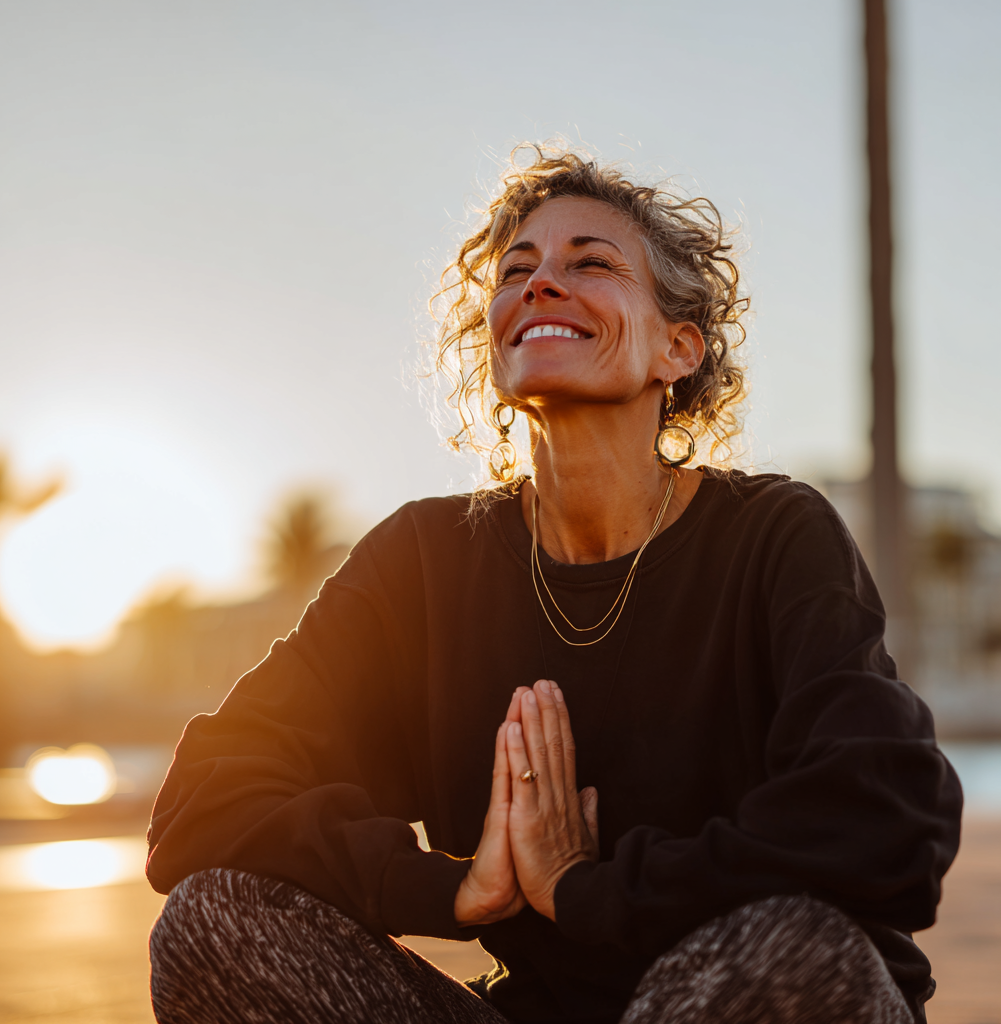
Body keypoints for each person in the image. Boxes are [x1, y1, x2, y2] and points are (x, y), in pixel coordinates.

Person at [145, 146, 961, 1024]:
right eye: (517, 271)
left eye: (592, 264)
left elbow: (886, 815)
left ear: (678, 347)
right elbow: (202, 800)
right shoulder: (424, 561)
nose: (540, 284)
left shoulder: (773, 534)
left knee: (785, 952)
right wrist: (453, 888)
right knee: (212, 924)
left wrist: (585, 890)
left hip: (762, 996)